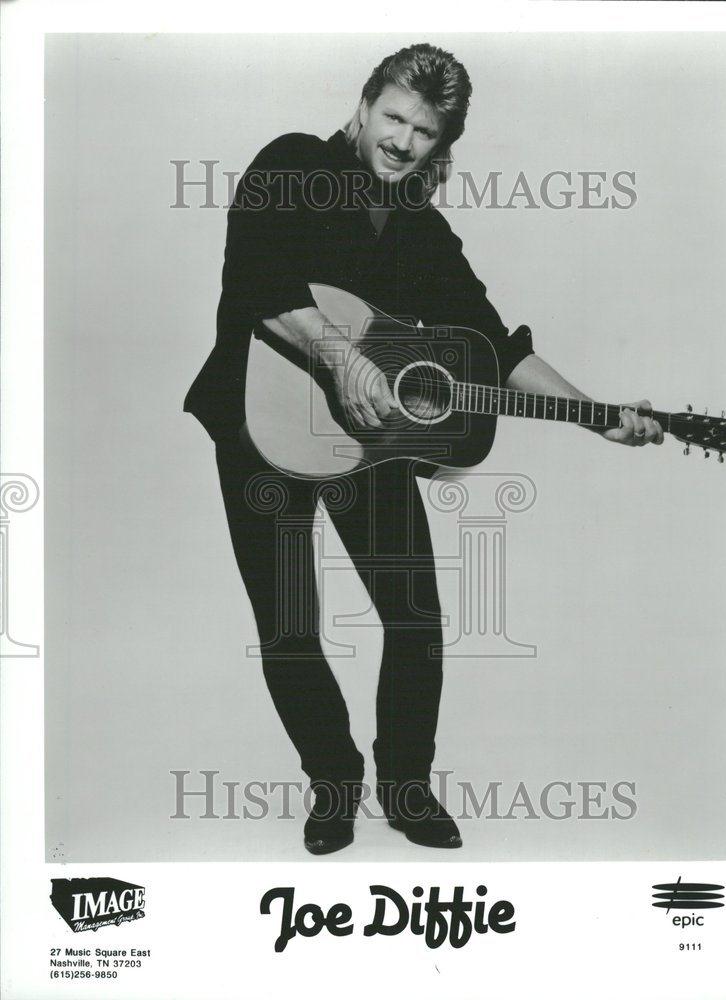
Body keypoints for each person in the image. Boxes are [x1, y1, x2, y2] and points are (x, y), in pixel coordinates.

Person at [183, 43, 663, 855]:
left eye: (424, 132)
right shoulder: (293, 164)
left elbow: (494, 343)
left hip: (362, 445)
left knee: (415, 620)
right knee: (289, 624)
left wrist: (594, 414)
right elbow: (259, 281)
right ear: (364, 105)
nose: (402, 141)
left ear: (444, 146)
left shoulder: (423, 232)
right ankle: (333, 785)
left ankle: (406, 789)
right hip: (255, 425)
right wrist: (343, 356)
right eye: (393, 118)